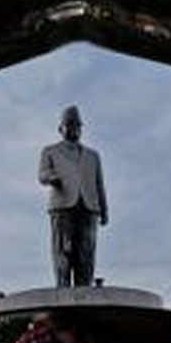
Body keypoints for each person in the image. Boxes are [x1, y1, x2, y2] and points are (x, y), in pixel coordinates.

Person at [39, 106, 108, 287]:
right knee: (62, 251)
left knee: (86, 253)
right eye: (69, 125)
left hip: (88, 207)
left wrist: (104, 209)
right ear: (61, 128)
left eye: (77, 125)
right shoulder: (50, 151)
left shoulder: (93, 156)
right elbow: (42, 174)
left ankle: (84, 290)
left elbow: (99, 183)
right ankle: (63, 290)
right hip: (62, 206)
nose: (74, 128)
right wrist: (52, 178)